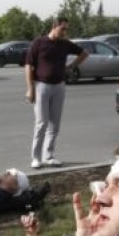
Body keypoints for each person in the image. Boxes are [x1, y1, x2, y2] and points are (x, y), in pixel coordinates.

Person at [25, 17, 89, 168]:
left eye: (67, 29)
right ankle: (36, 158)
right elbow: (28, 66)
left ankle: (49, 156)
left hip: (59, 86)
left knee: (55, 124)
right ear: (54, 26)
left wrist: (71, 66)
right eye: (63, 29)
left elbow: (84, 53)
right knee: (41, 123)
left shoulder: (65, 44)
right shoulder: (39, 43)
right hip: (42, 86)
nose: (65, 32)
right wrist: (30, 88)